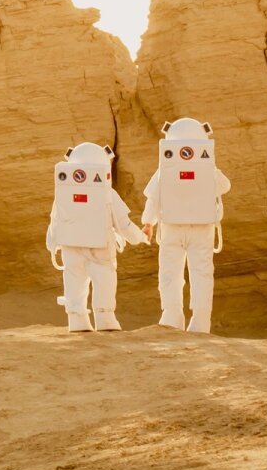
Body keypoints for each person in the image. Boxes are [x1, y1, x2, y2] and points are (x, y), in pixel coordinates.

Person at [140, 117, 231, 334]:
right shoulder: (207, 168)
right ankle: (200, 321)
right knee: (201, 274)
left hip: (172, 227)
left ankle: (172, 315)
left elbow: (153, 197)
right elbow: (225, 186)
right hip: (201, 228)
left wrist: (148, 222)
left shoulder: (166, 168)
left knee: (170, 273)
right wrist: (207, 168)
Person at [46, 141, 148, 332]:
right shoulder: (108, 194)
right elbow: (123, 224)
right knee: (104, 282)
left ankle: (77, 320)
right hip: (101, 249)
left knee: (74, 281)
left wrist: (52, 242)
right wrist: (139, 237)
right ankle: (105, 319)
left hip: (71, 248)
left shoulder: (64, 193)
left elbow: (55, 219)